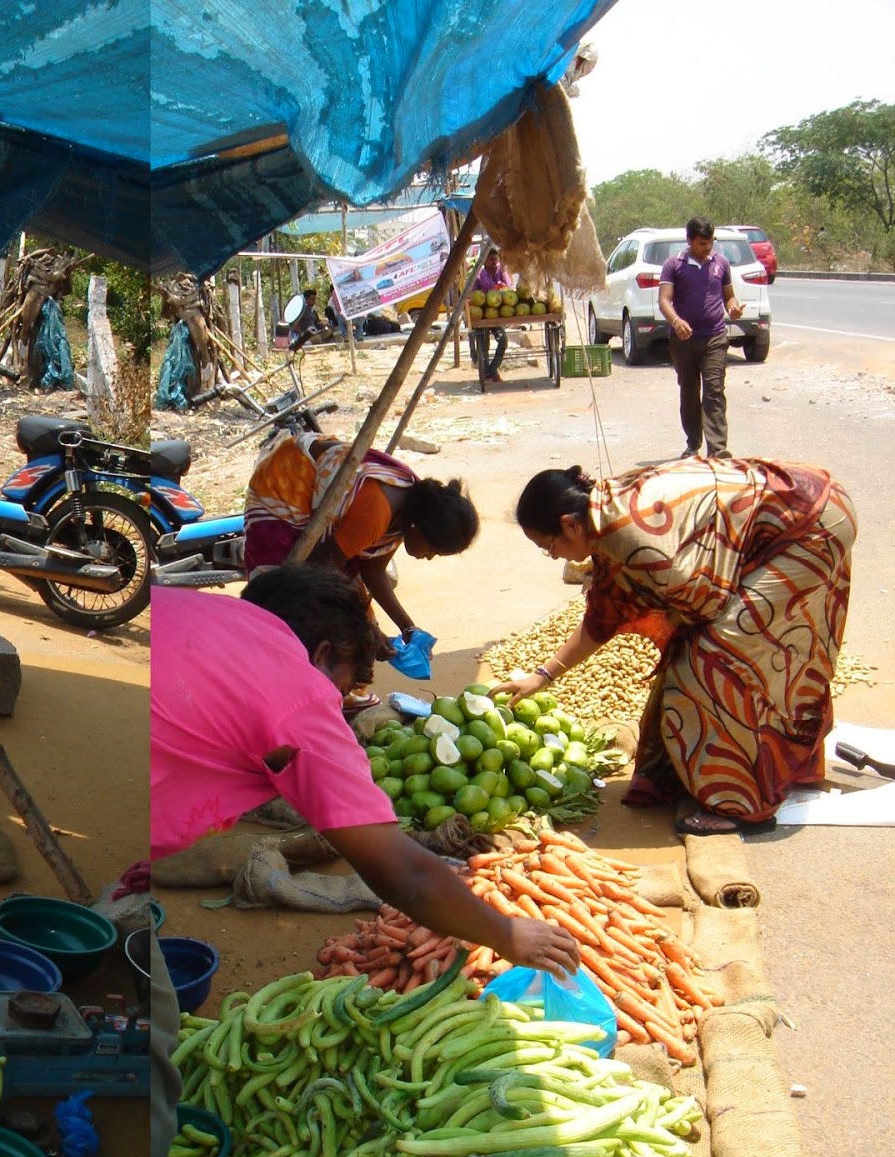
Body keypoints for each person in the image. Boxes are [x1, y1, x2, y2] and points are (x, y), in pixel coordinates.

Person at [148, 567, 580, 1157]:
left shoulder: (200, 612)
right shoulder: (299, 694)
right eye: (348, 683)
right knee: (153, 1023)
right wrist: (509, 935)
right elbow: (402, 873)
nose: (343, 702)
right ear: (323, 653)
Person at [511, 460, 856, 835]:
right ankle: (709, 768)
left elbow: (706, 606)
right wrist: (542, 676)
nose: (554, 556)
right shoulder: (604, 517)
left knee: (715, 659)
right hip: (798, 503)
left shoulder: (634, 540)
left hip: (811, 525)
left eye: (548, 546)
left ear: (570, 525)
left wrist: (675, 638)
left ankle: (742, 804)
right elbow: (603, 616)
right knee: (707, 656)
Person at [243, 440, 478, 683]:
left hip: (332, 544)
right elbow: (317, 571)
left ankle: (333, 682)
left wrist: (408, 628)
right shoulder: (376, 514)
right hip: (288, 482)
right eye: (432, 550)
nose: (428, 557)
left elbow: (374, 572)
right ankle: (288, 677)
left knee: (353, 617)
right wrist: (369, 628)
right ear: (418, 528)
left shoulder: (412, 508)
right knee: (288, 597)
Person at [659, 217, 744, 459]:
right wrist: (676, 321)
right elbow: (664, 300)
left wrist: (733, 308)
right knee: (689, 391)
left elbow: (729, 296)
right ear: (689, 241)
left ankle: (717, 449)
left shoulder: (721, 263)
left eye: (710, 242)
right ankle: (693, 445)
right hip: (683, 341)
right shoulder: (673, 265)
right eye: (702, 243)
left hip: (714, 337)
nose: (708, 247)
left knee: (714, 390)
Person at [473, 246, 511, 380]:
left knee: (503, 340)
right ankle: (487, 372)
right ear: (484, 261)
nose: (494, 262)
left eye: (495, 259)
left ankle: (492, 369)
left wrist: (502, 285)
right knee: (484, 346)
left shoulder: (501, 271)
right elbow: (476, 293)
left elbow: (508, 285)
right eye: (491, 260)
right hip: (482, 315)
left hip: (497, 315)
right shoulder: (479, 275)